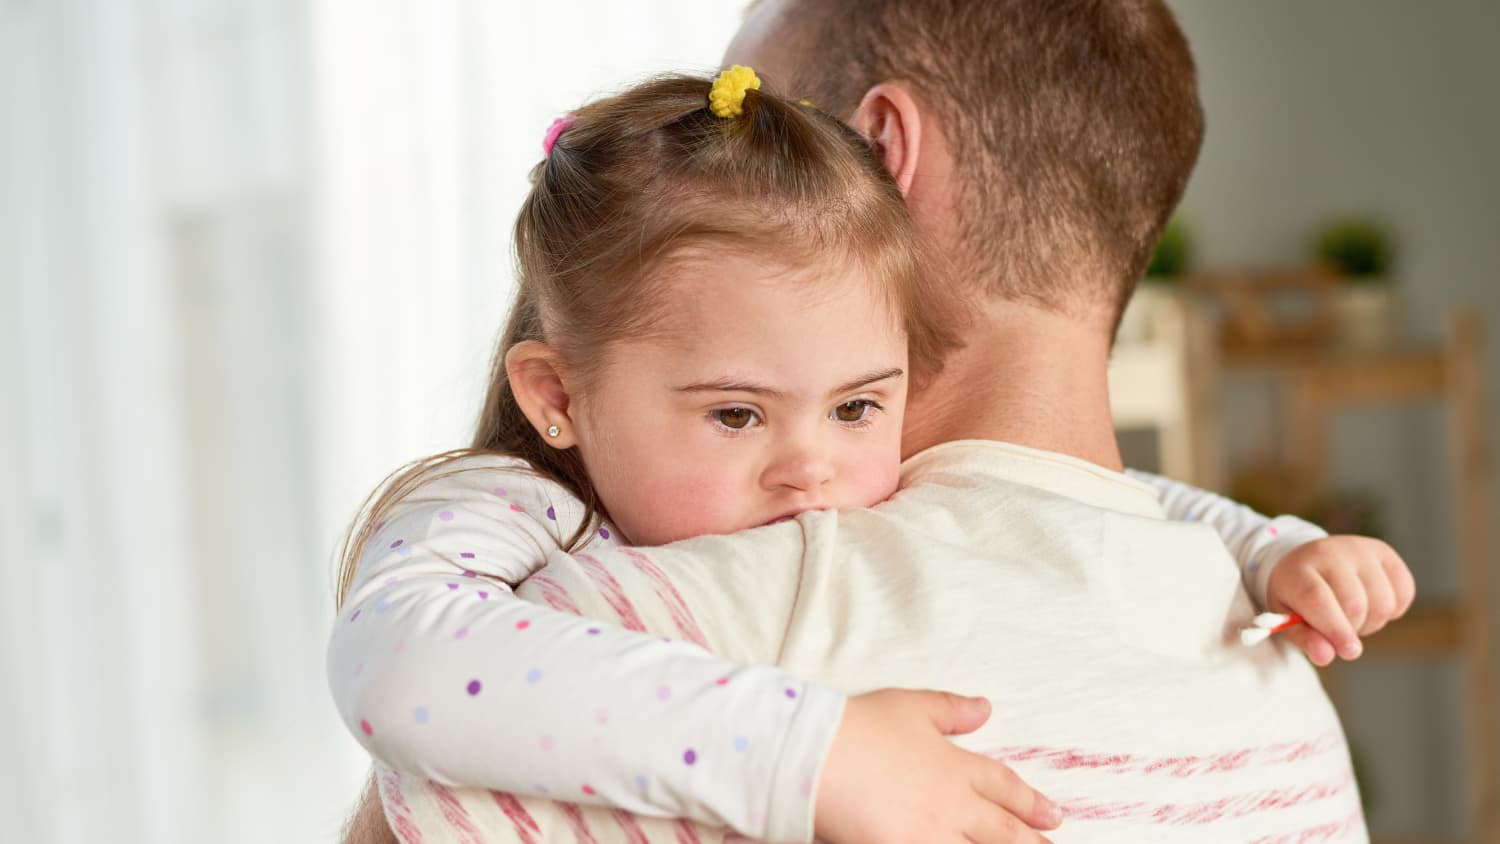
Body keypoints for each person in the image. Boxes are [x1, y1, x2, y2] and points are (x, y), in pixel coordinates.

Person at [337, 2, 1413, 841]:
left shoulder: (672, 616)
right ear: (558, 398)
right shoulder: (1287, 703)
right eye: (735, 414)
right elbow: (407, 665)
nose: (808, 470)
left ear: (877, 155)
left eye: (781, 129)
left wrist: (1274, 544)